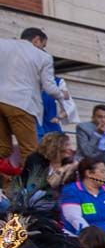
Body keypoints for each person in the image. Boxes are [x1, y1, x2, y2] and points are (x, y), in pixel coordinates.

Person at [0, 28, 64, 175]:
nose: (43, 49)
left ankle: (3, 186)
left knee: (2, 149)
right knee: (30, 151)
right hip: (22, 104)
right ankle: (30, 191)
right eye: (43, 45)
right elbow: (50, 87)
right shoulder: (43, 57)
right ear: (36, 40)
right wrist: (62, 96)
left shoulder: (3, 44)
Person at [59, 156, 105, 242]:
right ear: (89, 173)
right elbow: (73, 217)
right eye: (102, 171)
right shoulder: (72, 190)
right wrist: (93, 238)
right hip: (81, 241)